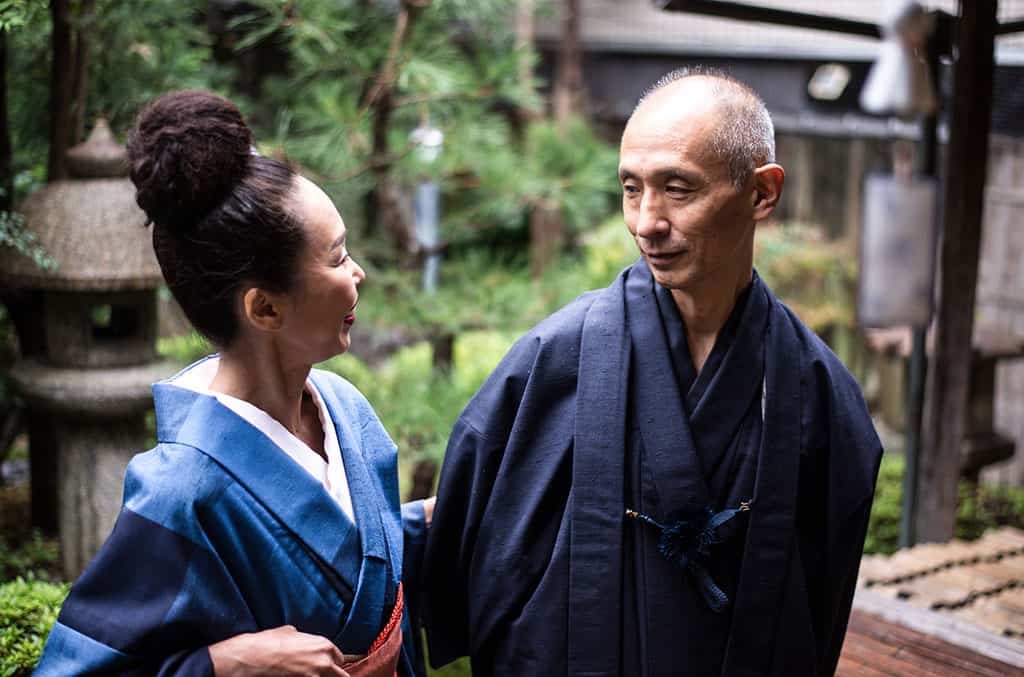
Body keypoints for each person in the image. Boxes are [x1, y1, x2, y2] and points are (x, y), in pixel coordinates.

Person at [421, 68, 883, 676]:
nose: (646, 222)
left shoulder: (817, 390)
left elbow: (824, 591)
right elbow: (479, 546)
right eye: (631, 188)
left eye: (678, 189)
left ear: (762, 193)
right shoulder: (554, 359)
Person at [35, 90, 430, 676]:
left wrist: (431, 524)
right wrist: (223, 664)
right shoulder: (181, 488)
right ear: (264, 308)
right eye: (336, 257)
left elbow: (355, 565)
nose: (358, 273)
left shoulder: (345, 407)